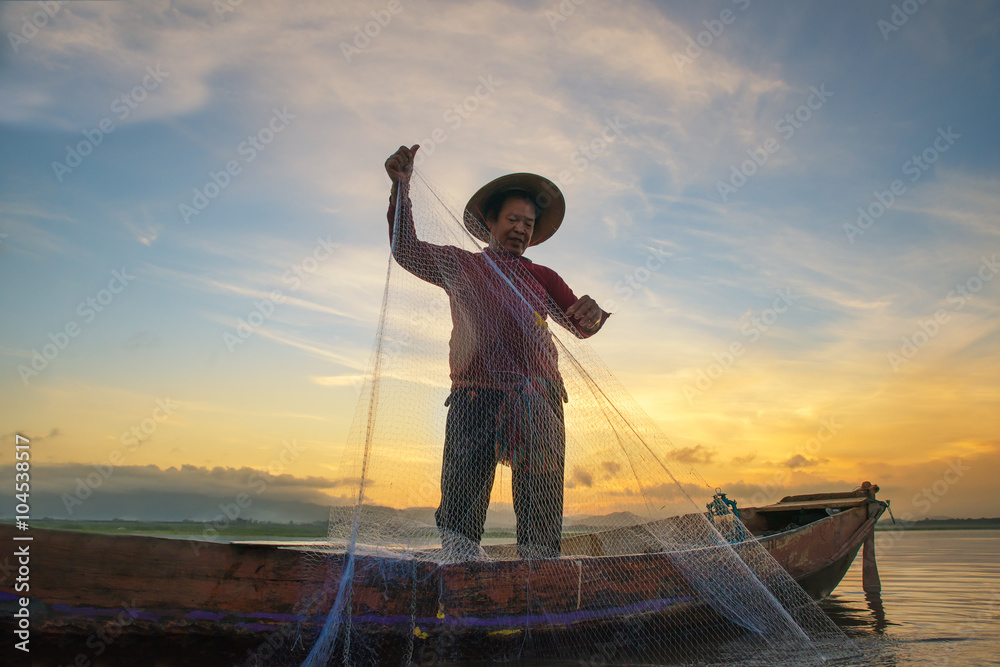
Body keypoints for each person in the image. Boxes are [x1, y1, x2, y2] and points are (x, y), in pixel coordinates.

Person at [384, 144, 609, 559]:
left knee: (540, 509)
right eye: (512, 220)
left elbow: (581, 325)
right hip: (476, 397)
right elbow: (406, 249)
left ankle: (539, 586)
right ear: (490, 221)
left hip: (540, 401)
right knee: (461, 507)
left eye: (528, 222)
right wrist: (401, 189)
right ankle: (459, 577)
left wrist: (592, 315)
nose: (521, 229)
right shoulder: (462, 266)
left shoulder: (544, 277)